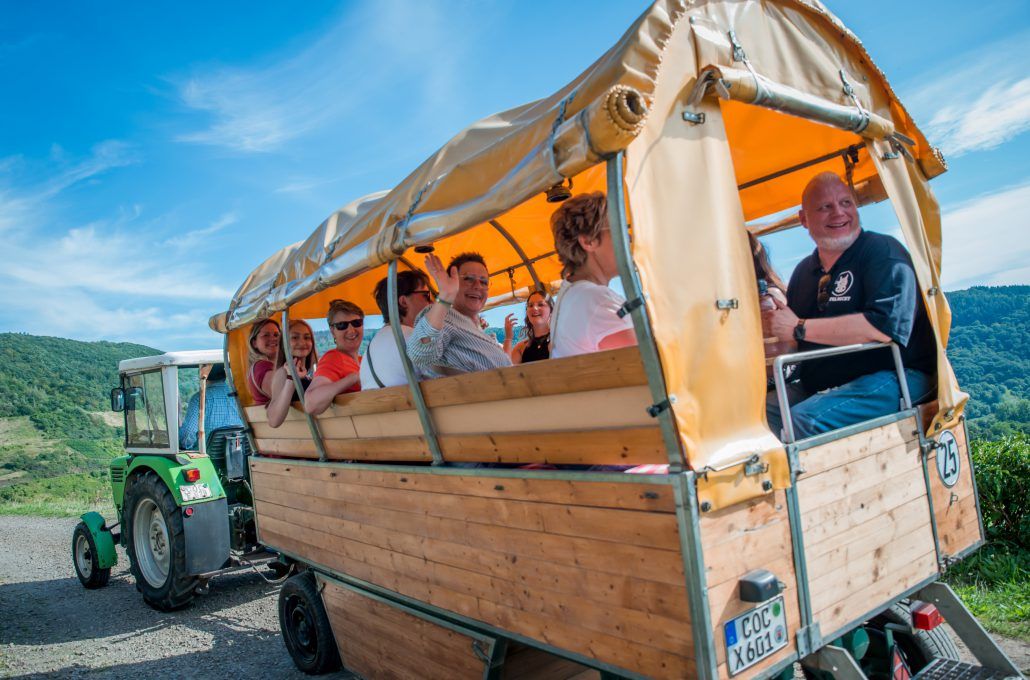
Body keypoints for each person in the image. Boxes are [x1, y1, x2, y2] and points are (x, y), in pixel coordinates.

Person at [763, 172, 936, 440]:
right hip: (829, 382)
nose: (839, 213)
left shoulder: (883, 252)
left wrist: (798, 328)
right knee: (756, 415)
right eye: (825, 207)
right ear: (803, 219)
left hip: (898, 374)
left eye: (846, 203)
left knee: (802, 421)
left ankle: (815, 481)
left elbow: (882, 327)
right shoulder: (803, 273)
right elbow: (793, 343)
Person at [548, 192, 636, 358]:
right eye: (620, 229)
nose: (629, 237)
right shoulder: (597, 301)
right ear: (588, 241)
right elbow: (652, 368)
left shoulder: (573, 294)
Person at [407, 252, 511, 377]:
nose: (478, 286)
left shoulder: (477, 329)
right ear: (452, 283)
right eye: (468, 279)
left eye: (484, 282)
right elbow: (420, 354)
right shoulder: (445, 317)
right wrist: (445, 297)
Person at [360, 269, 433, 389]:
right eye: (426, 295)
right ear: (403, 301)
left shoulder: (372, 346)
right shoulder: (413, 337)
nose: (431, 302)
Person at [304, 300, 364, 415]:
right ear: (332, 331)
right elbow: (310, 404)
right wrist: (353, 378)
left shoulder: (363, 361)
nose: (351, 330)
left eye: (356, 323)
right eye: (342, 325)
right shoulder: (334, 358)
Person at [266, 319, 319, 428]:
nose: (302, 342)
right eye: (295, 337)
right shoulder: (283, 373)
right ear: (284, 343)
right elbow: (274, 420)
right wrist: (291, 378)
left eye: (307, 337)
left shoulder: (309, 374)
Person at [178, 364, 243, 450]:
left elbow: (187, 435)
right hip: (238, 452)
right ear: (224, 374)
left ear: (203, 376)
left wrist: (184, 445)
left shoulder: (200, 398)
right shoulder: (238, 396)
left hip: (208, 458)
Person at [503, 290, 552, 364]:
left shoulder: (560, 341)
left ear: (551, 311)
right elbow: (505, 370)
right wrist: (508, 338)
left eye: (541, 304)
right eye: (530, 305)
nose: (534, 308)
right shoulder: (521, 347)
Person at [246, 319, 281, 406]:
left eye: (276, 335)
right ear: (254, 343)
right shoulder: (262, 367)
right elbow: (284, 395)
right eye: (266, 335)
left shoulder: (275, 366)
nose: (273, 338)